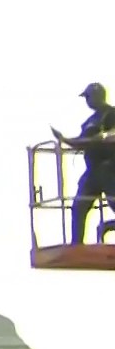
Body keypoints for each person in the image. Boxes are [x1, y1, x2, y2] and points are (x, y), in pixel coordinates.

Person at [51, 82, 115, 244]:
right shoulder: (89, 122)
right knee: (79, 206)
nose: (87, 100)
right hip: (93, 171)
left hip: (110, 168)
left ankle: (108, 226)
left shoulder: (111, 114)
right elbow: (82, 141)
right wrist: (64, 139)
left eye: (88, 97)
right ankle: (76, 244)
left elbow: (110, 136)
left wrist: (99, 138)